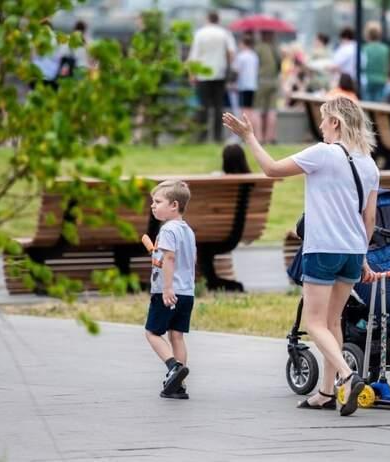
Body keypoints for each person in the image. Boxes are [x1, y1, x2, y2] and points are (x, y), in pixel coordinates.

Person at [222, 97, 379, 416]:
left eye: (323, 120)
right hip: (352, 251)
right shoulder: (369, 163)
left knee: (314, 322)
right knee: (333, 322)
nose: (320, 126)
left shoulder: (323, 154)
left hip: (323, 249)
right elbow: (370, 220)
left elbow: (271, 169)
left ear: (335, 122)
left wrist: (250, 136)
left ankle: (347, 377)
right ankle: (325, 391)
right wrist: (362, 254)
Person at [144, 180, 197, 400]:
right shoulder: (188, 231)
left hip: (168, 292)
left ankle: (173, 367)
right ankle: (179, 385)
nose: (153, 206)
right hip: (187, 292)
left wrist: (166, 288)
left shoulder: (167, 230)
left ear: (174, 205)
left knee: (152, 332)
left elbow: (170, 257)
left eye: (157, 202)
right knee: (177, 336)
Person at [188, 11, 236, 143]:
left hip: (203, 74)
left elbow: (194, 56)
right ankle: (217, 136)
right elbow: (231, 53)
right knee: (218, 107)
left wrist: (192, 74)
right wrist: (227, 66)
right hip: (220, 74)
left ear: (207, 19)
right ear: (218, 20)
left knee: (203, 106)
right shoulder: (225, 33)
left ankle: (201, 136)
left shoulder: (200, 33)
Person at [254, 31, 282, 144]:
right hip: (274, 82)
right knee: (272, 111)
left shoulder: (259, 48)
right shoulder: (276, 49)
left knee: (257, 110)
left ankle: (259, 138)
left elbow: (255, 66)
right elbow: (279, 66)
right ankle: (270, 138)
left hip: (261, 82)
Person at [231, 35, 258, 123]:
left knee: (244, 109)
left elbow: (236, 70)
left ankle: (244, 128)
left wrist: (234, 83)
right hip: (252, 85)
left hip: (243, 85)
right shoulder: (254, 56)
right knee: (250, 108)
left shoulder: (241, 56)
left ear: (243, 44)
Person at [362, 22, 390, 102]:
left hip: (367, 79)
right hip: (381, 79)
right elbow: (386, 66)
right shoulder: (385, 49)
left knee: (367, 105)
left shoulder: (365, 48)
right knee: (378, 105)